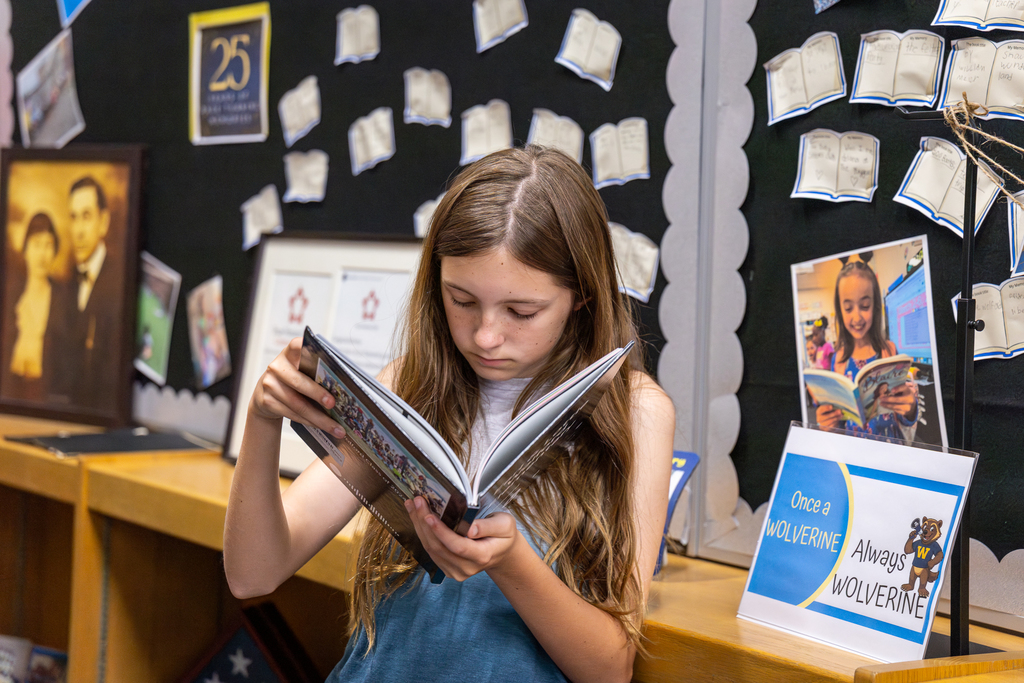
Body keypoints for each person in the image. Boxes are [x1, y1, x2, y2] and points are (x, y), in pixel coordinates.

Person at [223, 146, 676, 683]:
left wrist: (510, 564)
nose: (485, 336)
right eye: (461, 300)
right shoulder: (408, 387)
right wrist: (262, 419)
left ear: (582, 296)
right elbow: (253, 574)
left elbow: (610, 668)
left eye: (521, 311)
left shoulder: (637, 412)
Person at [814, 260, 918, 440]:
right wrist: (826, 424)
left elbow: (905, 416)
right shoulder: (838, 361)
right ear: (840, 311)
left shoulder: (889, 351)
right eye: (848, 308)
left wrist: (910, 409)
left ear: (876, 306)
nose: (856, 317)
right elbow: (838, 423)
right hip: (854, 454)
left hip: (891, 447)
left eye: (864, 306)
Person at [49, 176, 120, 408]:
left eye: (86, 217)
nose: (78, 231)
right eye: (73, 218)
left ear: (104, 222)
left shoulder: (119, 283)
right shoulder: (65, 287)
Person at [6, 213, 61, 399]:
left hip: (44, 396)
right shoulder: (10, 295)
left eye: (48, 245)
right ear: (26, 249)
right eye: (36, 244)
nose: (42, 254)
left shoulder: (61, 301)